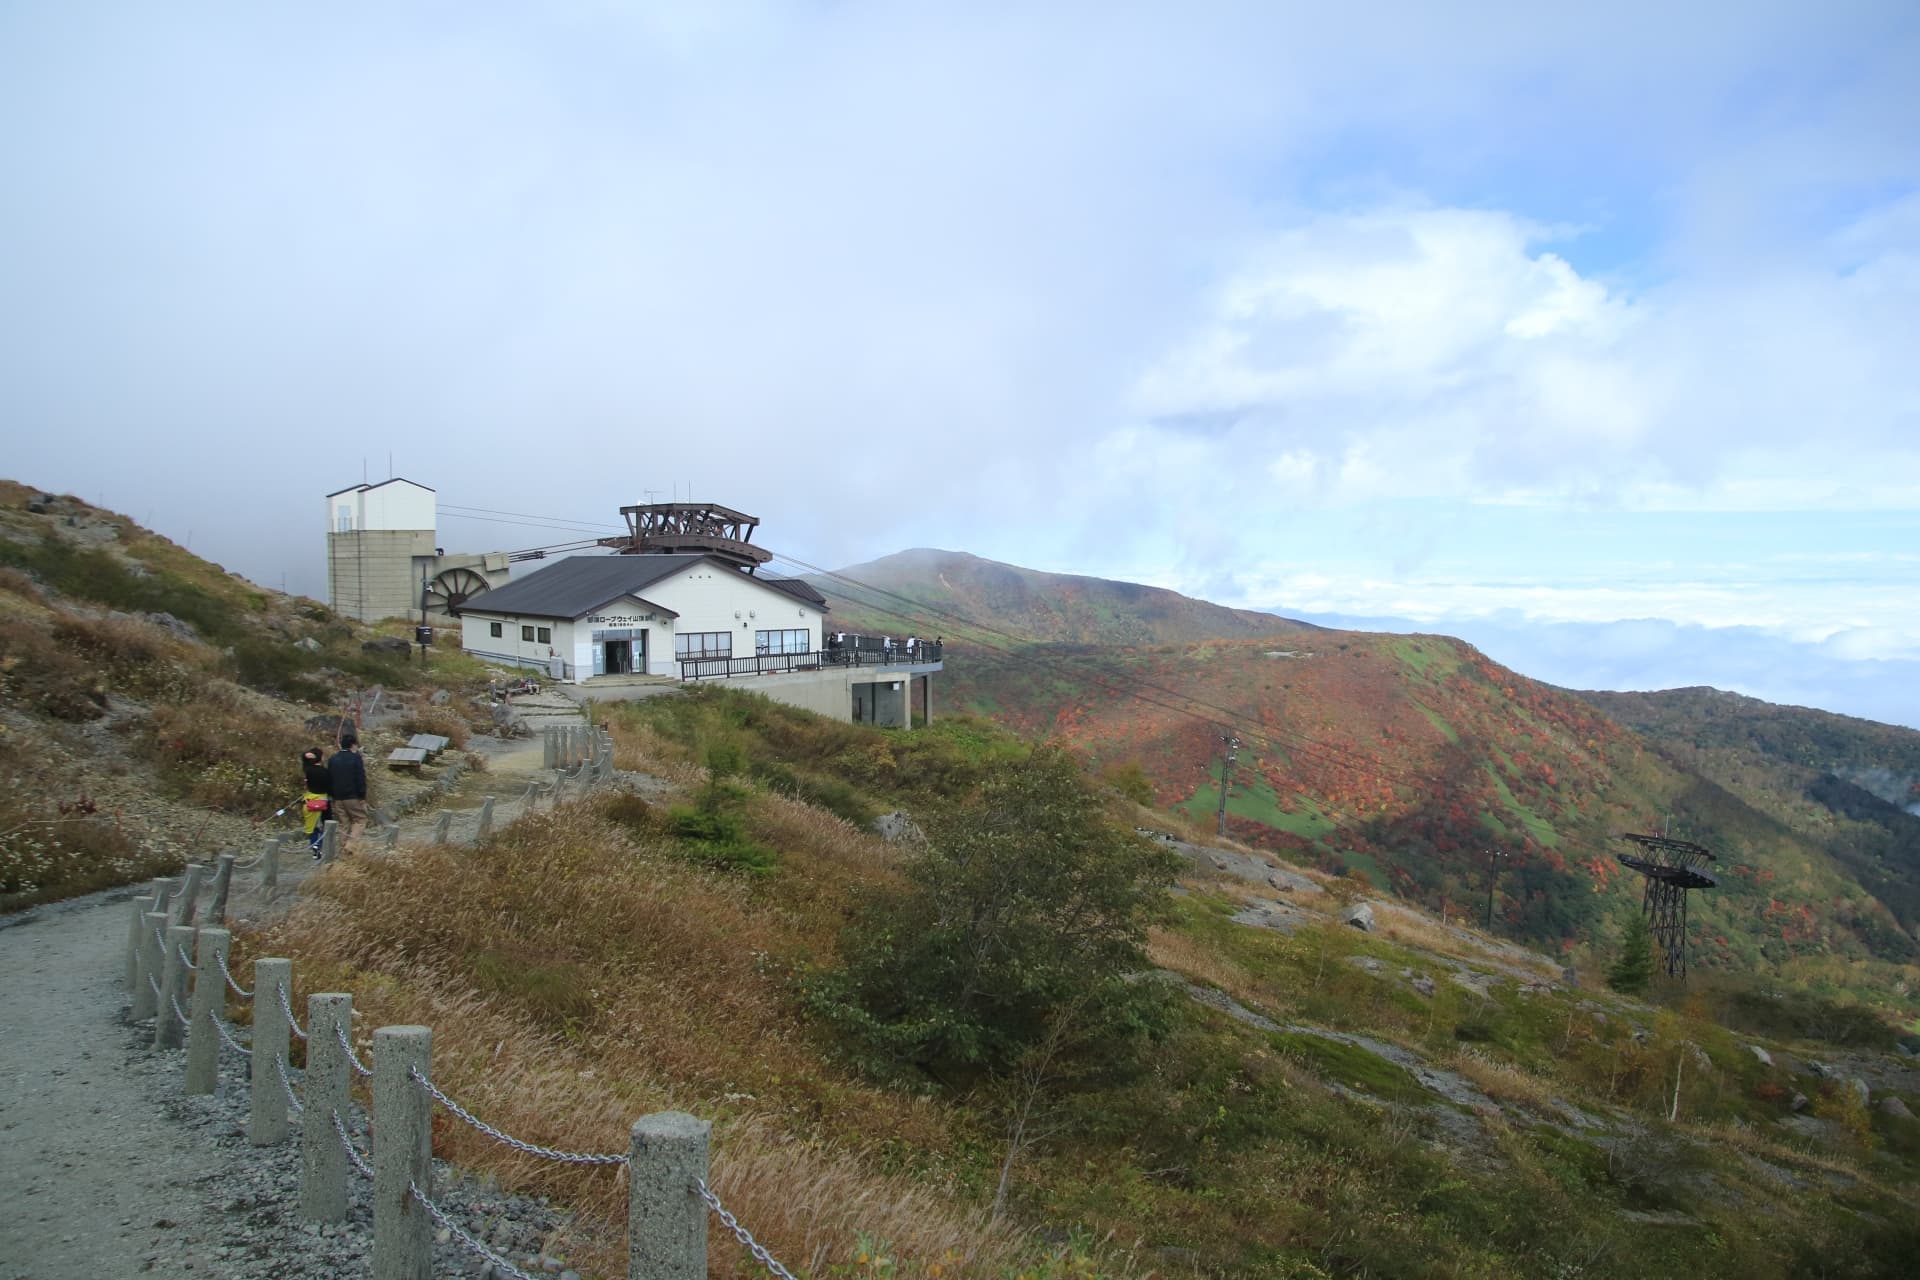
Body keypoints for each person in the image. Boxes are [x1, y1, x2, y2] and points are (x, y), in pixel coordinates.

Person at [327, 733, 369, 849]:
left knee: (343, 823)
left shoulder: (333, 759)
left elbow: (329, 778)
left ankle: (342, 848)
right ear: (353, 745)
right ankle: (350, 845)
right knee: (360, 820)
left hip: (337, 797)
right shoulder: (356, 758)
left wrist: (332, 796)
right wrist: (362, 796)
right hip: (352, 796)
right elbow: (360, 778)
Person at [300, 748, 331, 856]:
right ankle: (321, 847)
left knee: (312, 828)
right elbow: (330, 787)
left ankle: (315, 848)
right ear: (320, 757)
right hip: (323, 801)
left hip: (309, 801)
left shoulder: (308, 769)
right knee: (325, 825)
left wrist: (306, 754)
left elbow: (303, 757)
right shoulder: (325, 772)